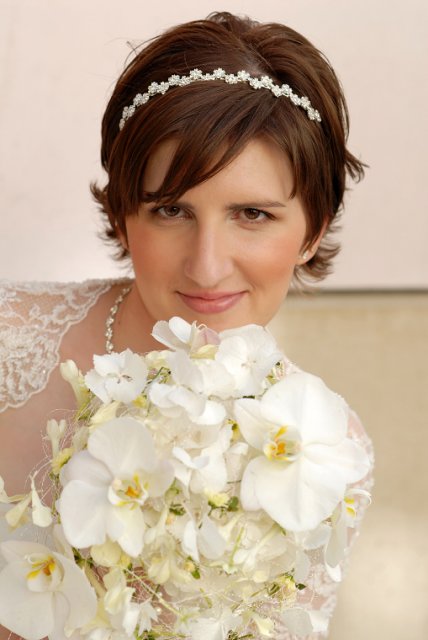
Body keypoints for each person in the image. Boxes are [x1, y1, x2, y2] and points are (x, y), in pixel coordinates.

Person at [0, 11, 373, 638]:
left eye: (252, 214)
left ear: (313, 230)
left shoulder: (328, 454)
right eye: (171, 210)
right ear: (123, 214)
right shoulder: (9, 337)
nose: (207, 266)